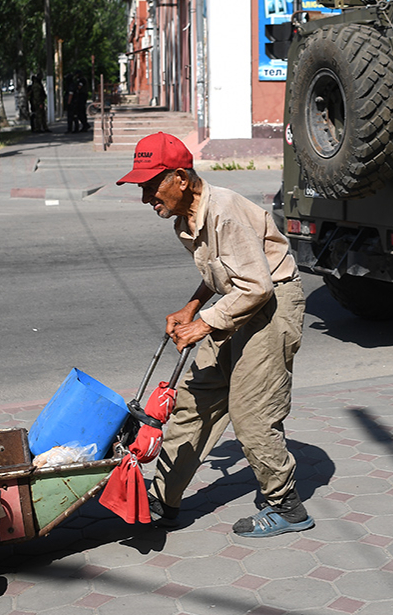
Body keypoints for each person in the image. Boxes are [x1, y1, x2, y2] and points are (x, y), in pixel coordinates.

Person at [116, 133, 313, 538]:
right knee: (194, 400)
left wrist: (203, 324)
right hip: (237, 303)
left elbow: (257, 286)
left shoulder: (223, 211)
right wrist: (192, 305)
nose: (145, 198)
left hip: (271, 305)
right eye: (142, 188)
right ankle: (163, 501)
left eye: (152, 186)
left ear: (181, 178)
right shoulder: (185, 220)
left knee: (250, 410)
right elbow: (225, 271)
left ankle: (287, 506)